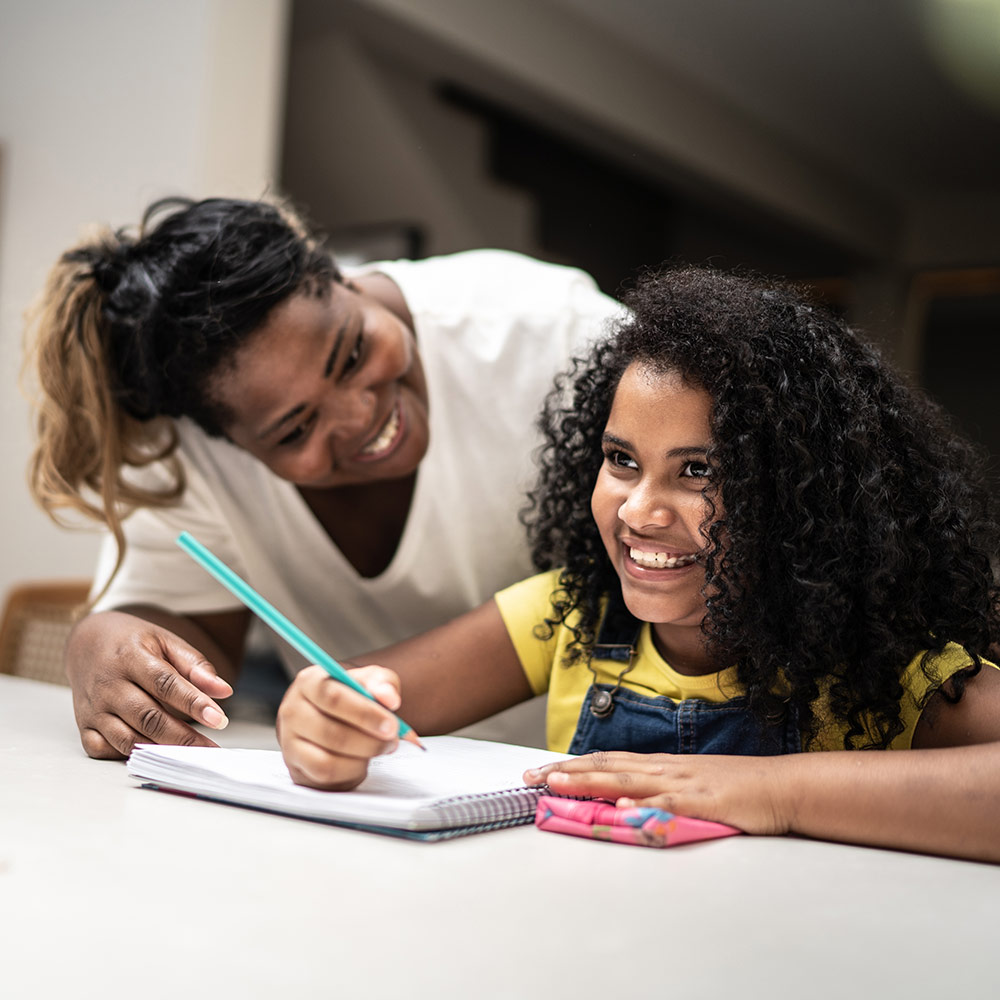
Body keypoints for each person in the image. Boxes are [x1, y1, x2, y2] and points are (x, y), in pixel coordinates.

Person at [276, 265, 1000, 863]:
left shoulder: (884, 666)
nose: (638, 511)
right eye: (622, 460)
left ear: (804, 498)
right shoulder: (569, 614)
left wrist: (773, 793)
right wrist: (321, 718)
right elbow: (360, 697)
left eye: (698, 473)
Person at [26, 196, 623, 759]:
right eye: (295, 430)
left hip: (620, 769)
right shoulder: (184, 454)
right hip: (364, 790)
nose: (360, 416)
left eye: (354, 353)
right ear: (228, 443)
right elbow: (197, 642)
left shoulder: (553, 334)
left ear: (340, 275)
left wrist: (377, 694)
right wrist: (105, 646)